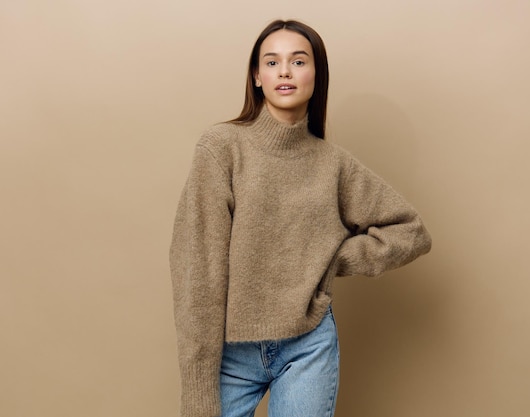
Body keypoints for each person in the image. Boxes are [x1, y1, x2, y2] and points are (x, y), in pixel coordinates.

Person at [169, 19, 432, 417]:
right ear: (257, 76)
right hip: (230, 351)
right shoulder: (221, 148)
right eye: (272, 63)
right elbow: (197, 270)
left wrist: (329, 260)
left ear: (316, 73)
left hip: (309, 345)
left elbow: (411, 232)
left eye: (298, 61)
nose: (285, 71)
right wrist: (198, 387)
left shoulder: (334, 164)